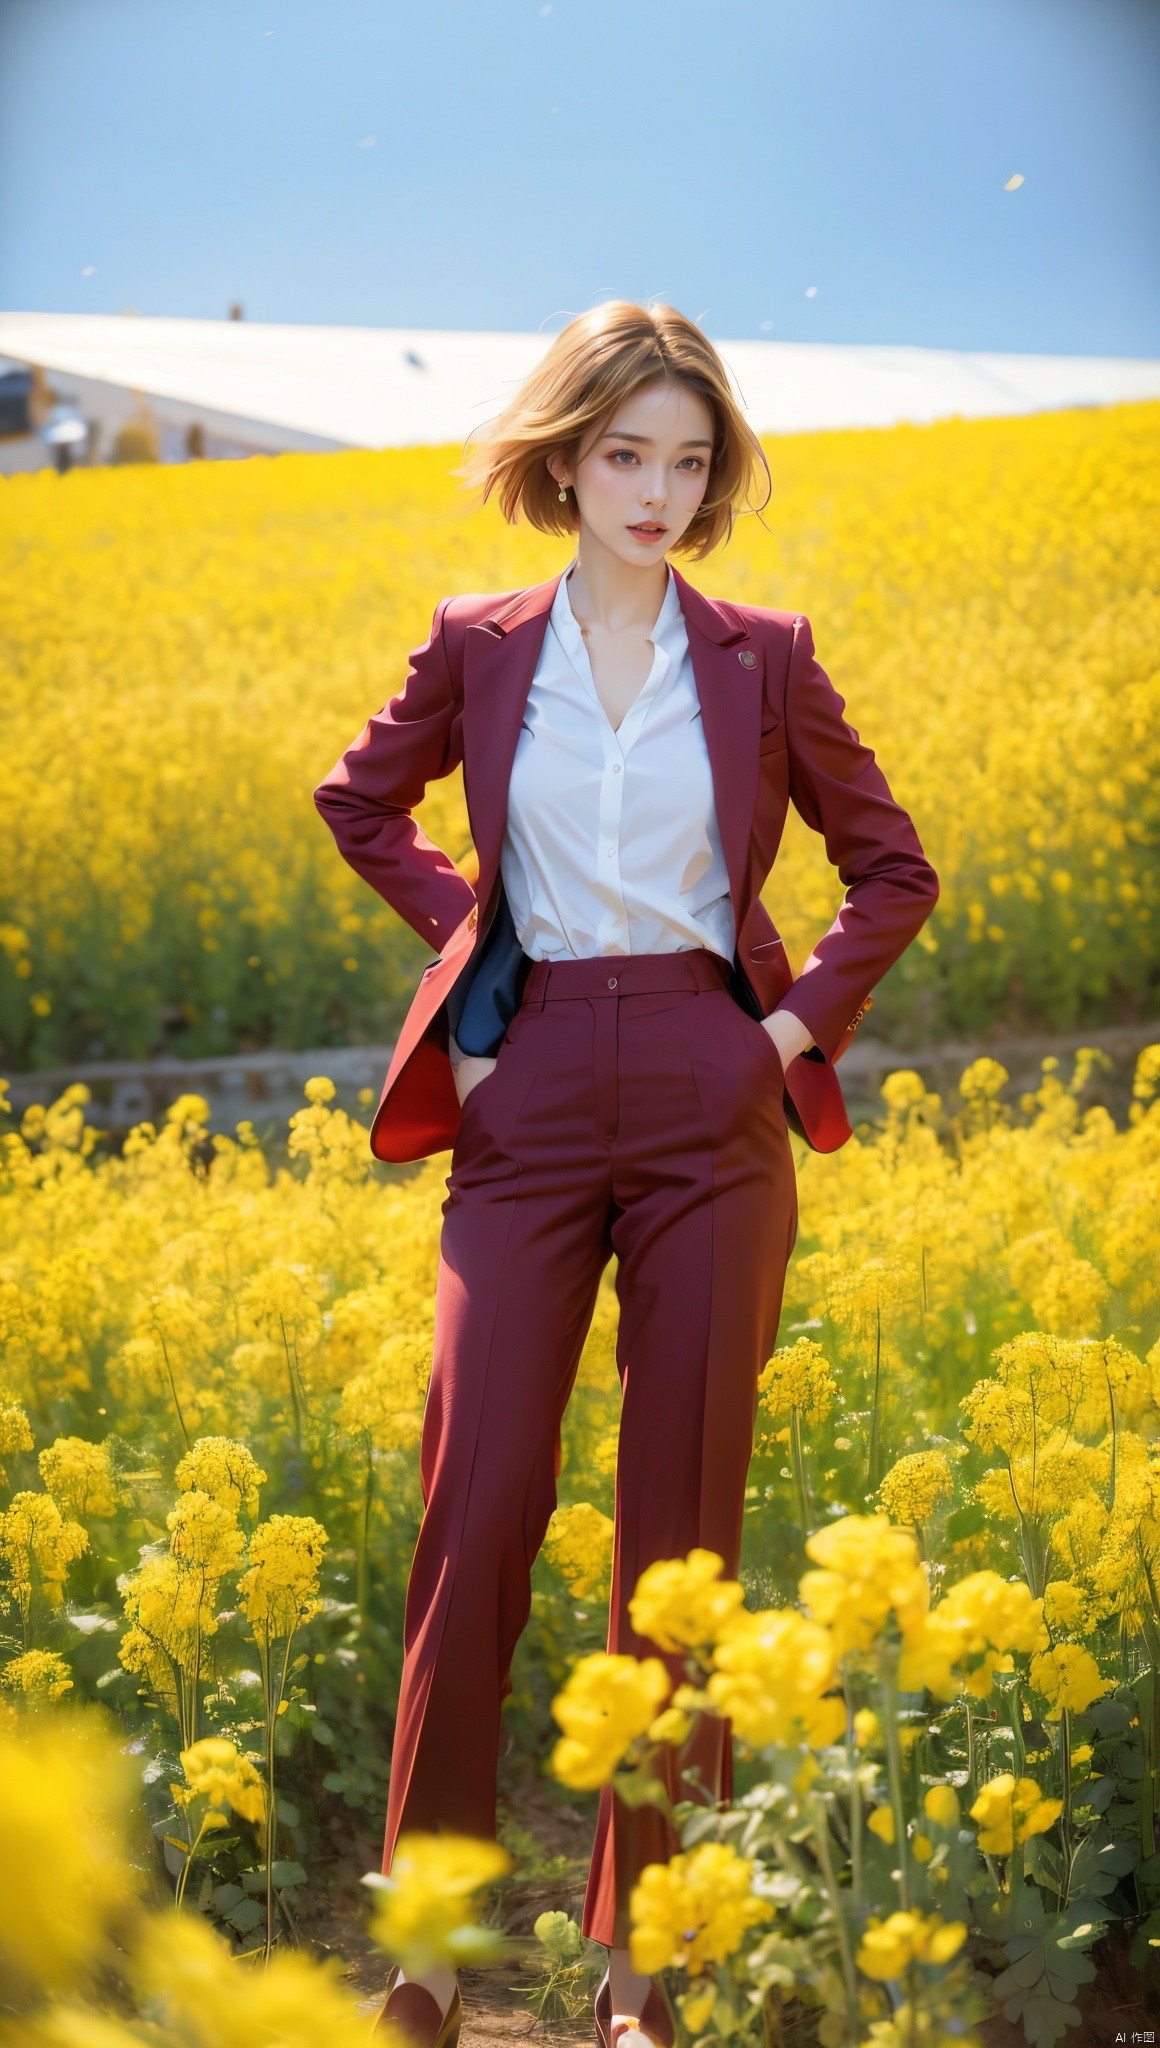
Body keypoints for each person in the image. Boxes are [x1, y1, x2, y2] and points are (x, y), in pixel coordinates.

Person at [315, 301, 938, 2048]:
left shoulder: (766, 656)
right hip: (522, 1099)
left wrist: (793, 1030)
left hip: (707, 1088)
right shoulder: (478, 640)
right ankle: (425, 1956)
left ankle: (642, 1971)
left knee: (681, 1535)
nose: (657, 492)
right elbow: (356, 803)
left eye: (686, 461)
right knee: (481, 1494)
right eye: (625, 456)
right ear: (565, 458)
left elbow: (893, 867)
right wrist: (475, 955)